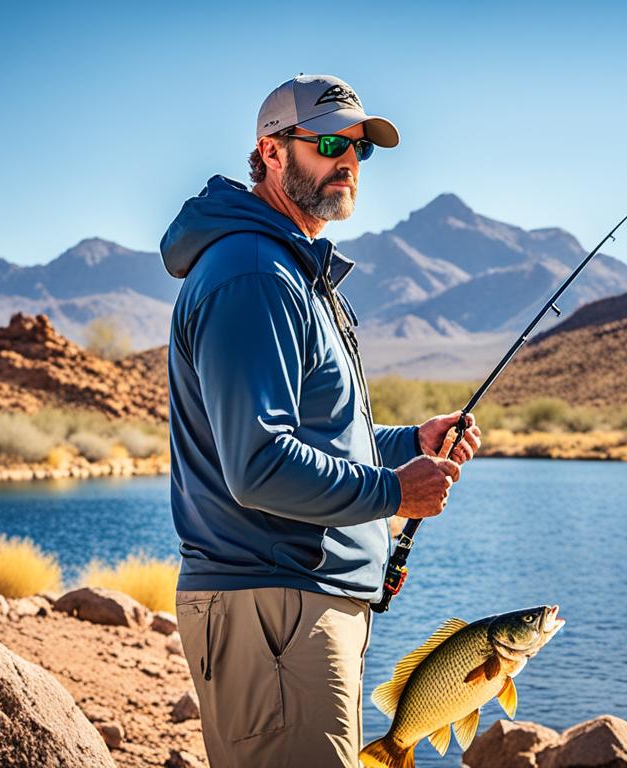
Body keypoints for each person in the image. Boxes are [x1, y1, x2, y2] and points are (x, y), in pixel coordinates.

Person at [159, 74, 482, 768]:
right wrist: (396, 493)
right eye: (329, 143)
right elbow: (260, 465)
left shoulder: (287, 269)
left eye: (360, 148)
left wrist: (406, 445)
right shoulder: (255, 275)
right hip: (272, 610)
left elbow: (314, 434)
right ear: (270, 153)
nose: (348, 161)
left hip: (291, 609)